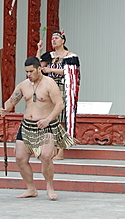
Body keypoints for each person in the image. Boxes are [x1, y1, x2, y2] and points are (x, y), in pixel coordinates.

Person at [0, 56, 74, 200]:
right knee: (20, 158)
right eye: (27, 72)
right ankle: (31, 189)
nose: (29, 75)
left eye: (31, 71)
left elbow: (59, 105)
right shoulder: (23, 85)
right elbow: (12, 101)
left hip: (45, 125)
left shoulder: (49, 84)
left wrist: (47, 119)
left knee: (46, 156)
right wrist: (5, 109)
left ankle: (50, 187)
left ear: (39, 69)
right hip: (27, 125)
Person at [37, 30, 80, 160]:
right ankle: (51, 149)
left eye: (56, 38)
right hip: (49, 87)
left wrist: (51, 70)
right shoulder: (49, 55)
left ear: (63, 40)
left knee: (60, 119)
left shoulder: (70, 56)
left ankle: (61, 150)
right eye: (52, 38)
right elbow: (38, 66)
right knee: (50, 119)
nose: (53, 40)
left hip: (62, 87)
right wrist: (39, 50)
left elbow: (69, 72)